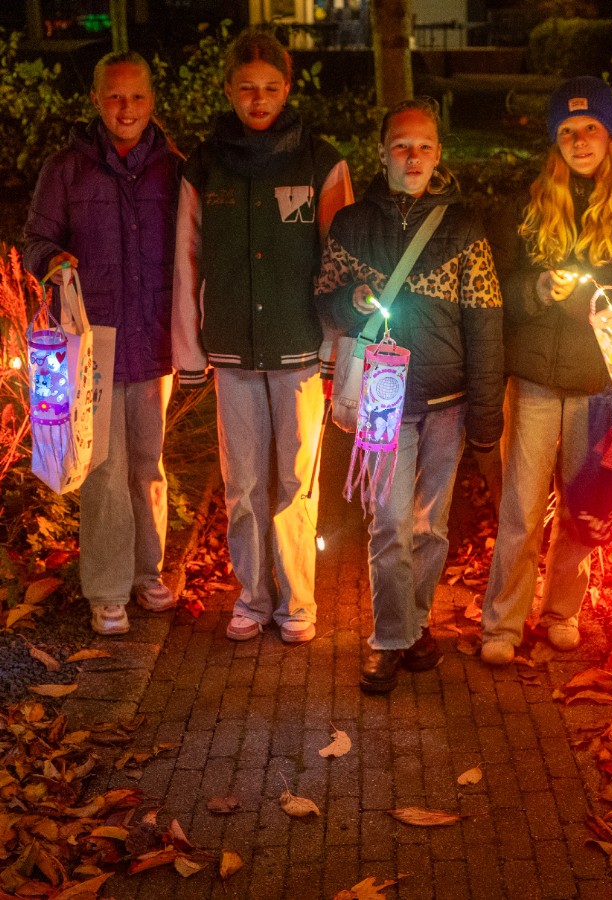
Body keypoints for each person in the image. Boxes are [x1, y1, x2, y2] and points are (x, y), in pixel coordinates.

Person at [315, 97, 504, 693]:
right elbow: (323, 297)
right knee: (389, 522)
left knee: (430, 527)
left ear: (439, 153)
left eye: (424, 145)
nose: (413, 155)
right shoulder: (352, 224)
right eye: (401, 145)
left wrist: (486, 408)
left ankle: (416, 622)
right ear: (381, 152)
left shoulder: (463, 225)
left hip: (447, 401)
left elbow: (486, 321)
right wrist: (353, 300)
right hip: (382, 397)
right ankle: (390, 637)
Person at [172, 29, 353, 644]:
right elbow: (185, 259)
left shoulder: (320, 162)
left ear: (288, 88)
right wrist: (189, 351)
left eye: (270, 88)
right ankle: (252, 597)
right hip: (232, 350)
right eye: (246, 88)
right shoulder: (204, 164)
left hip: (300, 348)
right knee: (243, 484)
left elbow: (341, 263)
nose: (258, 99)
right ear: (228, 90)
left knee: (297, 484)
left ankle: (297, 602)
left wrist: (336, 349)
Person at [478, 76, 612, 665]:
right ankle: (503, 625)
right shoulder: (527, 207)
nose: (579, 141)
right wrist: (537, 287)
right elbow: (498, 287)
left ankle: (561, 611)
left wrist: (605, 299)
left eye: (590, 128)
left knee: (582, 507)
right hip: (533, 377)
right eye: (567, 130)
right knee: (521, 508)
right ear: (553, 140)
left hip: (598, 384)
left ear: (609, 133)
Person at [24, 51, 182, 636]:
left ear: (152, 101)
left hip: (154, 339)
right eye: (114, 96)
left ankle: (148, 572)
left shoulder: (174, 168)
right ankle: (109, 588)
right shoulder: (66, 168)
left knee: (148, 464)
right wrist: (53, 260)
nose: (126, 108)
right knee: (103, 467)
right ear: (95, 100)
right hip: (93, 343)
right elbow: (36, 236)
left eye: (137, 97)